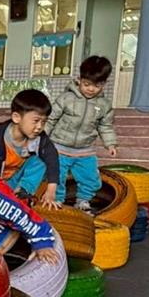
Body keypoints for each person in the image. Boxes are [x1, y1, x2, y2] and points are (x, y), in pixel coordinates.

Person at [45, 55, 119, 213]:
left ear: (104, 84)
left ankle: (83, 201)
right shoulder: (66, 98)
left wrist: (110, 144)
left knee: (91, 178)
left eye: (97, 86)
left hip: (85, 150)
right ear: (79, 80)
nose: (91, 89)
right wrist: (42, 139)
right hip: (59, 147)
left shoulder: (104, 105)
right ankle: (57, 201)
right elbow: (51, 119)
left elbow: (105, 126)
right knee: (57, 177)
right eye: (87, 84)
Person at [0, 89, 60, 208]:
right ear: (16, 117)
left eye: (44, 122)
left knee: (41, 161)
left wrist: (51, 191)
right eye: (36, 121)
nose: (40, 127)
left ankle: (22, 194)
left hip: (13, 182)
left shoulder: (39, 138)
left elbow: (52, 158)